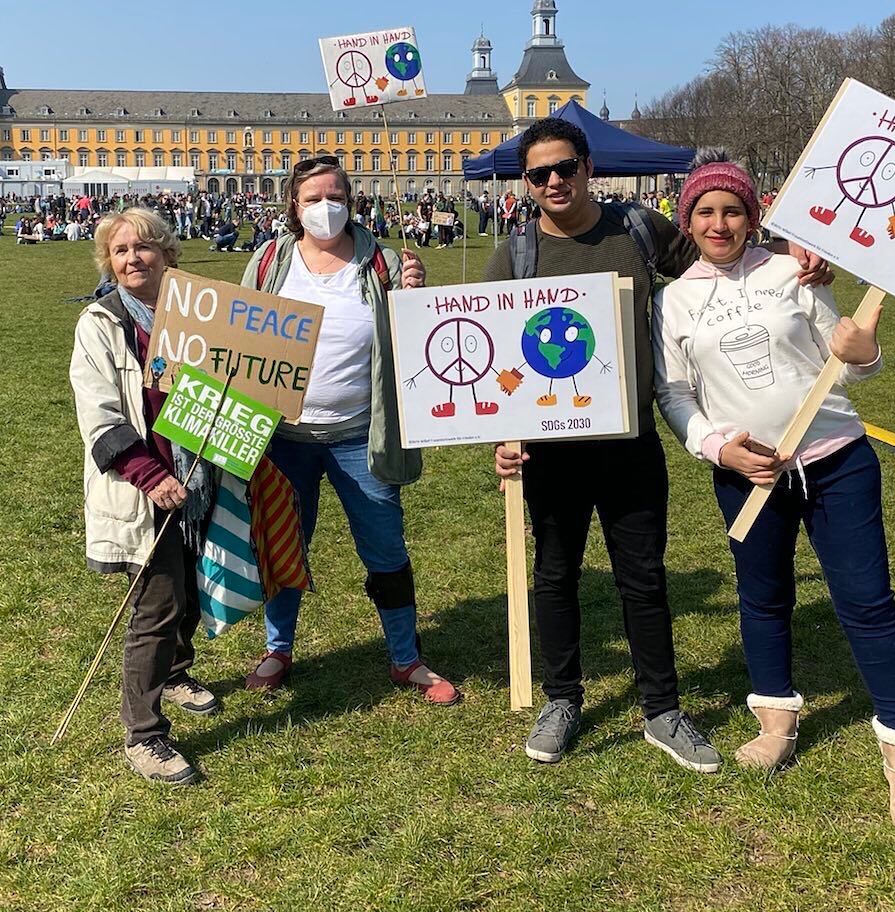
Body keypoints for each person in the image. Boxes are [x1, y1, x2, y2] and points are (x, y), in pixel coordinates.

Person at [489, 120, 831, 772]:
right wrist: (503, 439)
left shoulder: (638, 229)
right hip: (551, 451)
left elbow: (723, 265)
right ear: (527, 184)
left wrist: (798, 259)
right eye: (539, 175)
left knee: (643, 580)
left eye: (564, 168)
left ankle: (662, 710)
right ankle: (562, 699)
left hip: (630, 442)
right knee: (555, 576)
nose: (554, 182)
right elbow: (492, 354)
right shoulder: (516, 256)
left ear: (588, 167)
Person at [652, 152, 895, 836]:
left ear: (754, 216)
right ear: (687, 221)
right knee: (764, 597)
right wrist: (717, 447)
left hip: (837, 460)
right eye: (706, 212)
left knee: (866, 602)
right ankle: (775, 720)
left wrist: (864, 351)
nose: (721, 223)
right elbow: (674, 392)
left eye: (734, 210)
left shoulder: (794, 271)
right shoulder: (674, 299)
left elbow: (851, 366)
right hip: (748, 477)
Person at [240, 156, 460, 703]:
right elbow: (237, 337)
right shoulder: (269, 261)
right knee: (284, 544)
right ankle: (277, 647)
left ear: (352, 198)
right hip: (284, 436)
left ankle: (406, 659)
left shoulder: (381, 260)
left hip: (362, 433)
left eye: (334, 195)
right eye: (312, 198)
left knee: (385, 546)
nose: (324, 207)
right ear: (293, 203)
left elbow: (419, 339)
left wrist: (416, 296)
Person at [70, 209, 218, 785]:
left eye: (144, 248)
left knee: (192, 589)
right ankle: (143, 732)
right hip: (146, 485)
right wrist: (150, 475)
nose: (133, 259)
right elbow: (100, 414)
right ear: (109, 260)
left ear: (167, 254)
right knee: (156, 606)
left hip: (201, 475)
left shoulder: (197, 312)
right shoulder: (101, 322)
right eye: (121, 250)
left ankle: (178, 672)